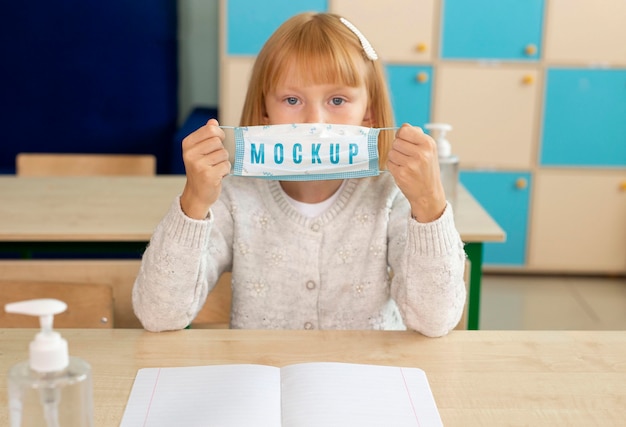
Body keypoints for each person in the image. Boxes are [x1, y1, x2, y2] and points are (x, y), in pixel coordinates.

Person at [132, 12, 466, 337]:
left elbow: (435, 320)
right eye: (292, 99)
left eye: (337, 99)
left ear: (370, 113)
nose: (314, 120)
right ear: (265, 113)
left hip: (367, 380)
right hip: (261, 377)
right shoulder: (234, 194)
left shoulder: (392, 194)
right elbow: (159, 315)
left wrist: (430, 204)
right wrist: (194, 203)